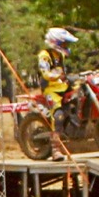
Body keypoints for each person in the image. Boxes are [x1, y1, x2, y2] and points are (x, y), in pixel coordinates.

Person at [38, 27, 78, 162]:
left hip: (62, 86)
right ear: (56, 42)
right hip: (50, 89)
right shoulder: (44, 55)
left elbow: (63, 72)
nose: (66, 46)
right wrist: (57, 76)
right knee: (58, 115)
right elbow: (45, 73)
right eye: (64, 44)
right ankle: (55, 149)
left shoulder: (59, 55)